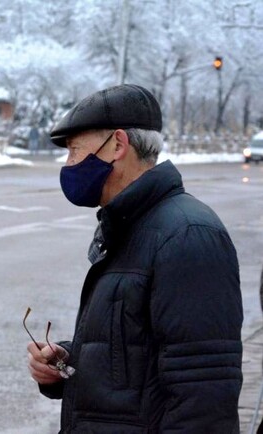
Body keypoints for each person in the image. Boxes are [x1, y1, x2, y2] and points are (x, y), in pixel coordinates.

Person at [27, 84, 243, 432]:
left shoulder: (186, 235)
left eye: (74, 150)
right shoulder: (132, 226)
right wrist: (67, 364)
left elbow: (203, 398)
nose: (68, 165)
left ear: (117, 145)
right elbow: (135, 364)